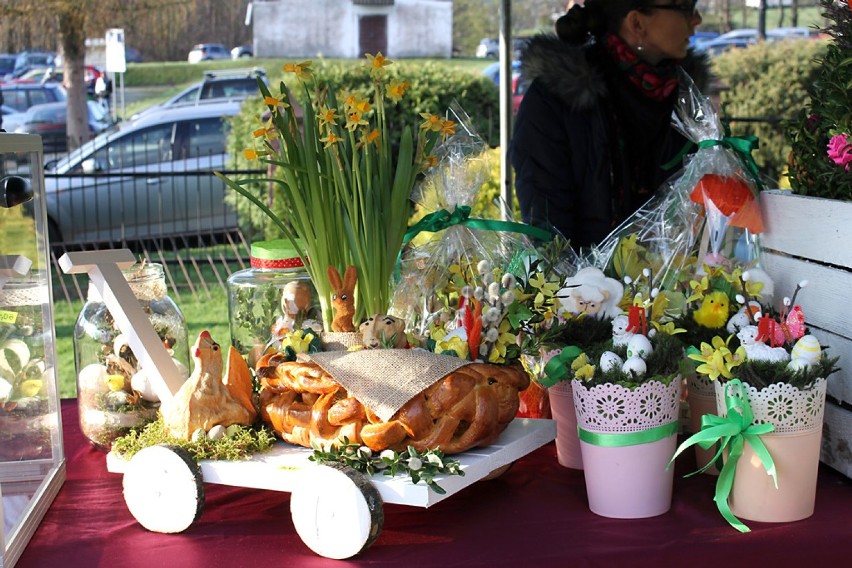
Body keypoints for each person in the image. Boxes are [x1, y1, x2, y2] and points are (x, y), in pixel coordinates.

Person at [510, 0, 708, 249]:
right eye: (686, 7)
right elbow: (547, 232)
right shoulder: (555, 98)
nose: (697, 19)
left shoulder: (688, 98)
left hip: (672, 280)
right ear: (637, 22)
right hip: (584, 284)